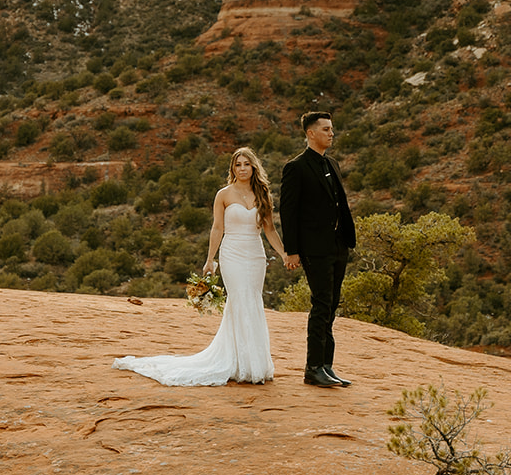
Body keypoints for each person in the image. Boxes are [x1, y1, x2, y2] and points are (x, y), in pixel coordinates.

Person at [113, 147, 290, 385]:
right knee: (239, 299)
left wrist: (284, 254)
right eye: (238, 165)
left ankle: (253, 364)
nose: (242, 168)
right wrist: (210, 260)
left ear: (254, 167)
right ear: (232, 169)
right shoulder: (224, 195)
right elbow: (217, 228)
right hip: (232, 253)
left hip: (255, 255)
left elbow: (269, 229)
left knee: (253, 301)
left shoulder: (263, 195)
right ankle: (238, 363)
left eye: (247, 164)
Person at [279, 111, 356, 388]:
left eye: (331, 129)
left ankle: (327, 366)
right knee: (321, 303)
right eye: (325, 129)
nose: (331, 133)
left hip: (337, 244)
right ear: (310, 133)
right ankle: (313, 368)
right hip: (313, 247)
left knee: (332, 304)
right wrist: (292, 250)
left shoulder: (332, 163)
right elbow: (287, 212)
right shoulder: (296, 167)